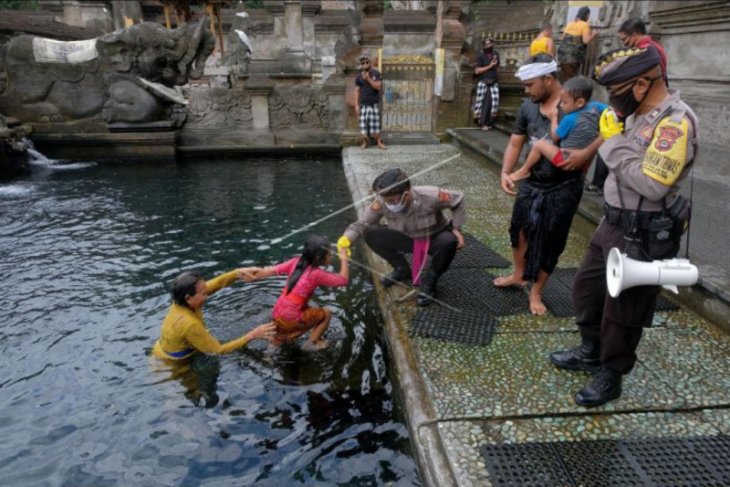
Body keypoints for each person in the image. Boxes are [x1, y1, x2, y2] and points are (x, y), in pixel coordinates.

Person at [550, 46, 698, 407]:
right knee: (586, 290)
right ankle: (590, 349)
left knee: (625, 309)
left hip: (644, 230)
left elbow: (653, 185)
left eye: (618, 91)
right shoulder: (635, 114)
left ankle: (611, 374)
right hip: (613, 221)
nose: (613, 100)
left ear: (643, 84)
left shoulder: (675, 123)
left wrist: (613, 143)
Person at [495, 55, 602, 315]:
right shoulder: (528, 108)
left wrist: (587, 154)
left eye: (530, 84)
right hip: (533, 182)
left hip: (565, 185)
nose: (527, 90)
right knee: (519, 230)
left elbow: (609, 131)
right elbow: (515, 142)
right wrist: (506, 172)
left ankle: (536, 292)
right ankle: (519, 274)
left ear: (548, 78)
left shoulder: (578, 106)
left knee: (552, 239)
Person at [337, 168, 466, 307]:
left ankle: (430, 281)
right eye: (385, 200)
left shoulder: (431, 195)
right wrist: (345, 239)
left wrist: (456, 228)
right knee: (371, 234)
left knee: (449, 241)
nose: (388, 203)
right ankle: (402, 269)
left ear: (406, 194)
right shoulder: (382, 202)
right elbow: (363, 223)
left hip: (434, 237)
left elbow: (458, 200)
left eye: (392, 200)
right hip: (407, 238)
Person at [242, 235, 349, 350]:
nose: (331, 256)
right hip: (292, 317)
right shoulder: (317, 274)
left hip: (277, 312)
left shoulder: (295, 262)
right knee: (326, 313)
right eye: (329, 254)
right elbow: (343, 281)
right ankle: (313, 342)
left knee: (279, 336)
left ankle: (269, 354)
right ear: (319, 257)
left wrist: (254, 276)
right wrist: (344, 258)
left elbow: (271, 270)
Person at [152, 269, 276, 362]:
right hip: (173, 364)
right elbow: (217, 351)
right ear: (189, 298)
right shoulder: (189, 323)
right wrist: (252, 335)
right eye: (204, 293)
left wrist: (238, 273)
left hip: (163, 349)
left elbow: (216, 283)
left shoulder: (180, 301)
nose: (207, 296)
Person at [509, 75, 607, 182]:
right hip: (583, 160)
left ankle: (524, 170)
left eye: (565, 102)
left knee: (539, 145)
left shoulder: (570, 119)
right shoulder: (595, 107)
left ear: (580, 102)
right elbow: (610, 110)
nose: (560, 106)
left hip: (565, 160)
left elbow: (555, 136)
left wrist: (554, 119)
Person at [618, 17, 668, 82]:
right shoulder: (653, 45)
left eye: (624, 39)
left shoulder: (645, 50)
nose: (623, 43)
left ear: (634, 35)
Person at [355, 52, 386, 150]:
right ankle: (365, 143)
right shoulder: (359, 76)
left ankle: (379, 142)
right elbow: (357, 91)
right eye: (363, 63)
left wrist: (368, 78)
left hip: (373, 103)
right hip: (363, 104)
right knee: (363, 125)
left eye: (366, 62)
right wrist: (356, 105)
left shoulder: (376, 73)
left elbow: (378, 87)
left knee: (376, 124)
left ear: (370, 62)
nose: (364, 64)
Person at [558, 6, 598, 81]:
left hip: (562, 56)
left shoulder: (570, 24)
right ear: (586, 15)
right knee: (572, 79)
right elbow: (585, 41)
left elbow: (563, 38)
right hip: (573, 56)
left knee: (566, 78)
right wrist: (593, 34)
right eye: (588, 15)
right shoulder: (585, 25)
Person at [472, 38, 501, 131]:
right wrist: (490, 66)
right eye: (487, 45)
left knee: (493, 104)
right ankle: (482, 123)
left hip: (493, 82)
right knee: (484, 103)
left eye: (491, 44)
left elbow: (497, 67)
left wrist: (496, 75)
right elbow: (477, 71)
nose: (489, 46)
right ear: (484, 46)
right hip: (484, 82)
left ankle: (489, 123)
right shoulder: (480, 56)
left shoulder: (495, 54)